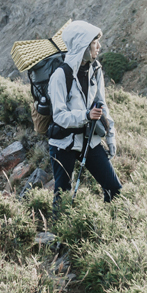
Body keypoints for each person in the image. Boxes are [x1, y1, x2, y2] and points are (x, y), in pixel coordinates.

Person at [48, 21, 121, 206]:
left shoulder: (96, 69)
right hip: (64, 143)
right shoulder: (60, 75)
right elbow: (58, 116)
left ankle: (111, 230)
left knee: (114, 189)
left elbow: (102, 106)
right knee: (63, 197)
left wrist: (111, 137)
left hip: (89, 139)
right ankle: (58, 232)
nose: (99, 46)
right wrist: (86, 116)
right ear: (83, 45)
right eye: (95, 42)